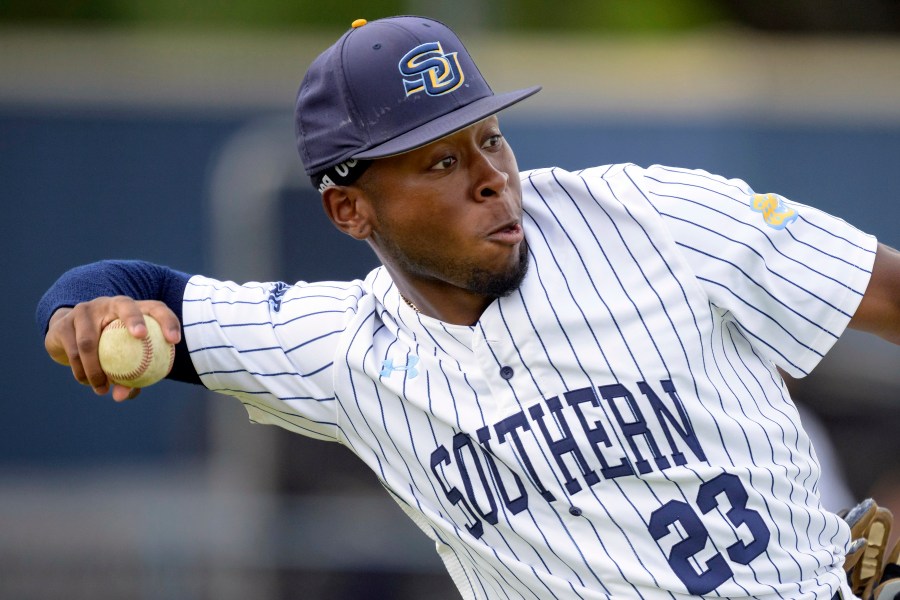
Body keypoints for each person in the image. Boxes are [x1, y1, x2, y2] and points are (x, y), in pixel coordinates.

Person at [37, 15, 900, 600]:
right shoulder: (342, 350)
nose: (491, 174)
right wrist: (83, 311)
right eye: (439, 161)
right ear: (350, 210)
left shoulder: (653, 217)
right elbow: (135, 287)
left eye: (489, 137)